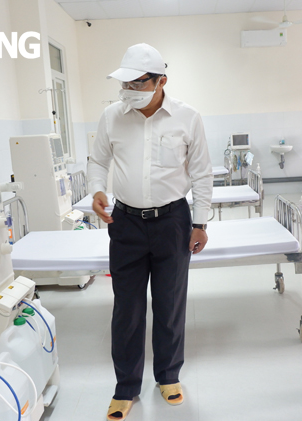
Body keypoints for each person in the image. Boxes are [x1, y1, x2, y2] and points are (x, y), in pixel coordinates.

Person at [87, 43, 213, 421]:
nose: (129, 90)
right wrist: (97, 190)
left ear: (162, 82)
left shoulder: (188, 117)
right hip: (125, 223)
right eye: (125, 82)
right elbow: (98, 160)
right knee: (126, 307)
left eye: (138, 83)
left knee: (170, 302)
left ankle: (168, 376)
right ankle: (126, 386)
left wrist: (200, 222)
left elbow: (202, 172)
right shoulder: (112, 116)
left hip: (172, 221)